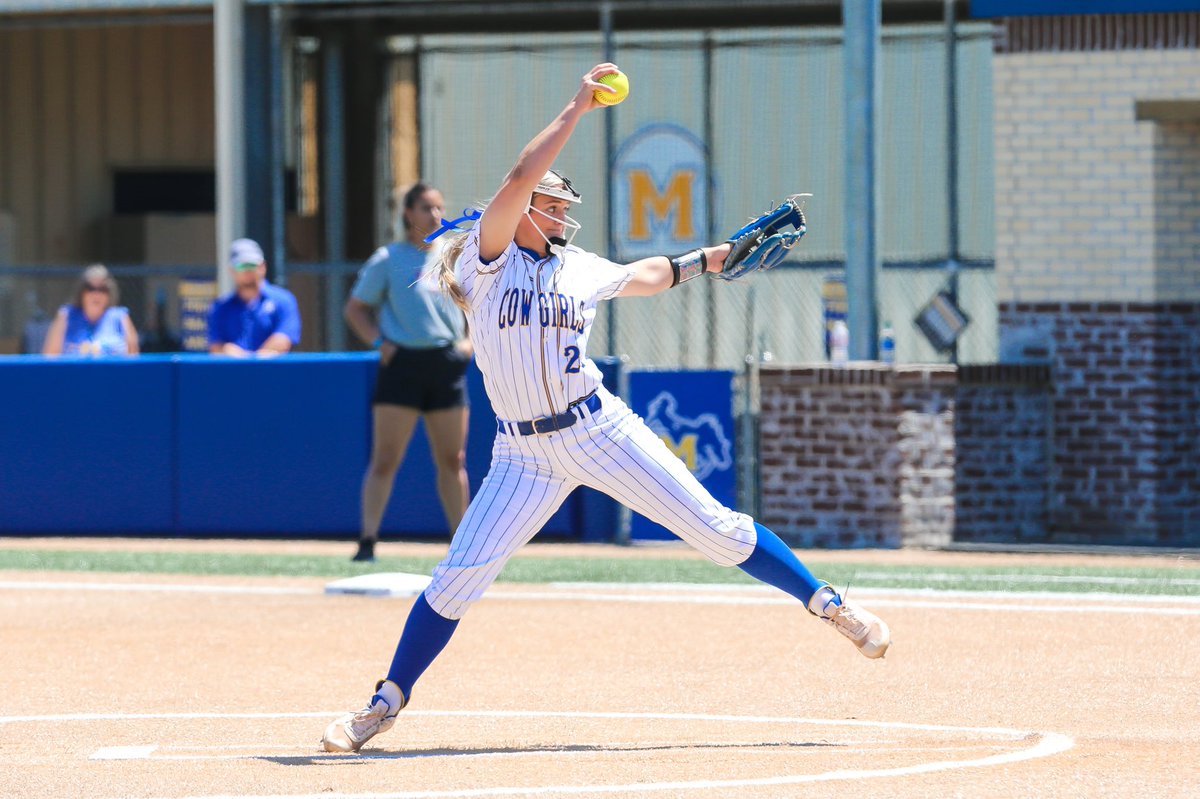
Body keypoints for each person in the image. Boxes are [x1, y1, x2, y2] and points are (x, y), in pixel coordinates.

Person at [321, 63, 891, 754]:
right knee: (458, 576)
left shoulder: (576, 265)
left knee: (715, 528)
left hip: (597, 426)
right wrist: (578, 106)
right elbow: (517, 177)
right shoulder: (487, 259)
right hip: (521, 454)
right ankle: (384, 702)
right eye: (553, 203)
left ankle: (827, 600)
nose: (562, 214)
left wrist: (707, 259)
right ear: (527, 205)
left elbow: (644, 275)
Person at [343, 183, 473, 562]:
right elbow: (356, 308)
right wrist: (380, 343)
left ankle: (461, 545)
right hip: (403, 365)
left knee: (453, 460)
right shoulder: (389, 258)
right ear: (408, 214)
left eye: (439, 208)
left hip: (446, 365)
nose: (435, 216)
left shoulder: (454, 256)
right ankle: (367, 540)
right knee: (385, 458)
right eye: (426, 208)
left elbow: (477, 305)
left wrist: (470, 343)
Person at [207, 238, 301, 357]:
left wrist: (252, 363)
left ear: (263, 267)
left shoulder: (284, 301)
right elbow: (216, 346)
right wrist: (228, 351)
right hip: (233, 373)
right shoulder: (220, 307)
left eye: (251, 265)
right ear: (231, 271)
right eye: (241, 266)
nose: (247, 270)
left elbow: (283, 339)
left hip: (273, 372)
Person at [42, 264, 139, 356]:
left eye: (102, 289)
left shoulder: (120, 316)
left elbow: (134, 358)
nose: (96, 294)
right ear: (81, 292)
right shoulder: (66, 315)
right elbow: (50, 357)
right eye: (91, 288)